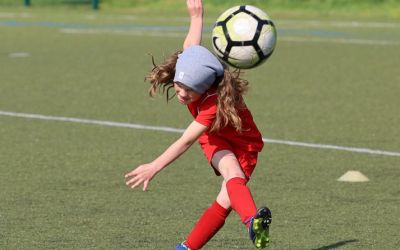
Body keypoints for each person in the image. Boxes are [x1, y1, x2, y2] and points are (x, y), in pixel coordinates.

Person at [125, 0, 271, 249]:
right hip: (214, 138)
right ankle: (252, 222)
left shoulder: (213, 103)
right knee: (232, 174)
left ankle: (186, 248)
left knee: (224, 202)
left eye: (189, 93)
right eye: (179, 87)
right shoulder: (190, 63)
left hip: (243, 142)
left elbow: (186, 140)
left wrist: (154, 166)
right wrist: (196, 16)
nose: (181, 95)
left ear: (204, 88)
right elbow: (191, 45)